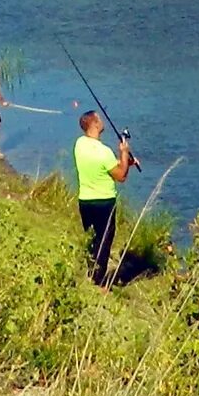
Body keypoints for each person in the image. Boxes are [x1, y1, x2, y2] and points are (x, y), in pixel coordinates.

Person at [71, 108, 137, 285]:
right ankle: (98, 282)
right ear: (94, 124)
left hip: (85, 201)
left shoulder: (79, 144)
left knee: (91, 238)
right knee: (104, 241)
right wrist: (124, 152)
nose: (102, 121)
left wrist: (125, 162)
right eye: (99, 119)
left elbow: (106, 166)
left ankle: (91, 273)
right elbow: (121, 176)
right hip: (104, 203)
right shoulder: (104, 152)